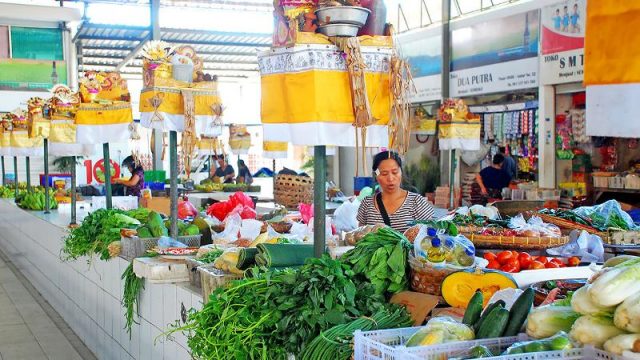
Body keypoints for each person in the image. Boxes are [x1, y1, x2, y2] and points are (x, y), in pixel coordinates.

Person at [357, 151, 435, 233]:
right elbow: (360, 236)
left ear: (401, 172)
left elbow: (432, 232)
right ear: (376, 175)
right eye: (384, 173)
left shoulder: (416, 201)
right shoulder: (367, 203)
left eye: (395, 172)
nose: (390, 178)